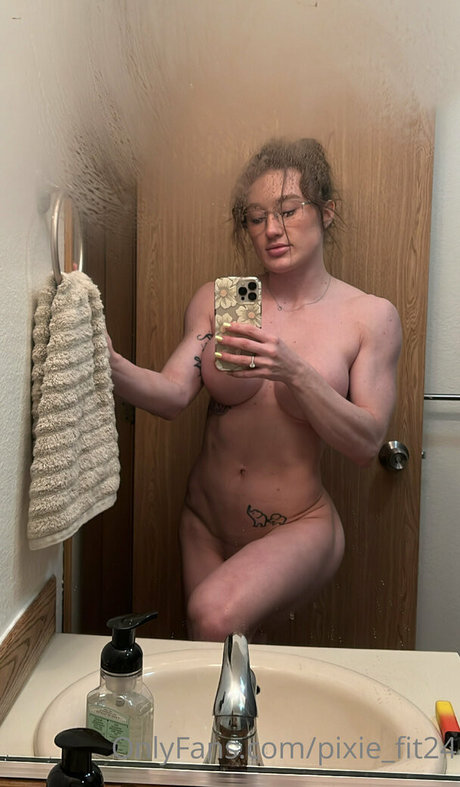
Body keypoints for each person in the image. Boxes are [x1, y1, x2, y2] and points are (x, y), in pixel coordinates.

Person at [107, 138, 402, 642]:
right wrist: (107, 363)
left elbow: (366, 442)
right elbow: (172, 395)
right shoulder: (225, 300)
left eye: (288, 210)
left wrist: (296, 372)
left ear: (327, 211)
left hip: (298, 525)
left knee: (214, 615)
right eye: (256, 217)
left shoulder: (368, 316)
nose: (272, 229)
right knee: (216, 665)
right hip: (204, 521)